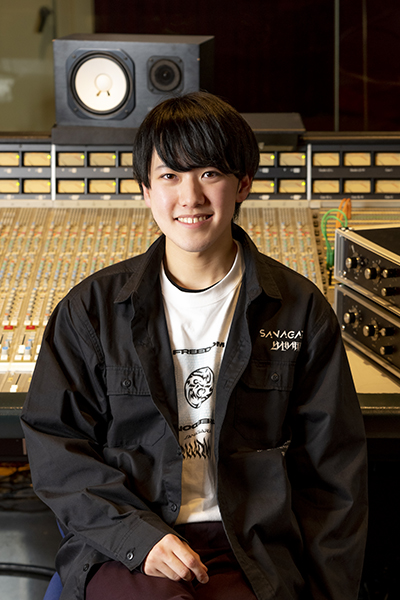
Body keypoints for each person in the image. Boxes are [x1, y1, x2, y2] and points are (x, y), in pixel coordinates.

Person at [21, 91, 368, 600]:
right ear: (146, 189)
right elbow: (55, 445)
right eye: (170, 176)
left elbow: (334, 473)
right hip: (128, 543)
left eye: (209, 173)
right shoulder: (91, 310)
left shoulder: (300, 310)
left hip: (251, 547)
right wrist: (137, 537)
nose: (190, 197)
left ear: (243, 183)